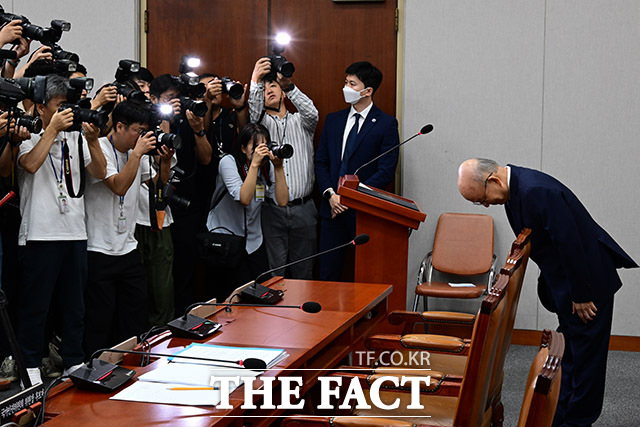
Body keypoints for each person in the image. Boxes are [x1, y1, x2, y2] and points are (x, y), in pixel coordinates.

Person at [457, 158, 638, 427]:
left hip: (587, 285)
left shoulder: (535, 191)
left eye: (480, 199)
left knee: (586, 361)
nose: (484, 205)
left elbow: (571, 244)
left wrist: (581, 295)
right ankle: (561, 415)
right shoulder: (514, 191)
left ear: (493, 180)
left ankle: (578, 420)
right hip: (570, 283)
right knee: (572, 355)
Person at [16, 75, 106, 385]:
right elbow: (29, 165)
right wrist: (51, 130)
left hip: (75, 233)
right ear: (41, 108)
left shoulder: (75, 138)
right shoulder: (26, 134)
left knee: (74, 306)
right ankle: (28, 362)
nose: (66, 112)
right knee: (35, 306)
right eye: (59, 107)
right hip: (41, 234)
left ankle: (74, 360)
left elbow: (100, 172)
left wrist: (93, 140)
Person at [83, 100, 173, 355]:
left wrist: (164, 162)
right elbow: (118, 186)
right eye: (138, 130)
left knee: (134, 318)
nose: (142, 136)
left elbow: (156, 186)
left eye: (145, 130)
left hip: (128, 248)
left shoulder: (138, 152)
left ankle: (132, 366)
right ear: (119, 126)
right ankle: (97, 369)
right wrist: (137, 154)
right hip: (99, 249)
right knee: (100, 320)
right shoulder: (98, 148)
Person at [315, 61, 399, 281]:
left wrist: (350, 198)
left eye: (352, 83)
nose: (346, 87)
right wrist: (332, 195)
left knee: (363, 276)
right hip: (331, 209)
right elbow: (321, 162)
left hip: (363, 213)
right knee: (327, 275)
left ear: (368, 91)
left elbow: (386, 170)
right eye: (346, 82)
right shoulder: (333, 121)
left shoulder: (386, 124)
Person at [249, 58, 319, 279]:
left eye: (273, 85)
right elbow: (253, 113)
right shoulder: (261, 125)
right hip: (272, 210)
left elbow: (312, 113)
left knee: (304, 275)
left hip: (304, 208)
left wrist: (289, 84)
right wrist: (255, 80)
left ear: (283, 92)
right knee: (274, 275)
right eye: (265, 87)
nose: (268, 90)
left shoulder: (301, 122)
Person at [206, 123, 288, 301]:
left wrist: (279, 167)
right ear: (243, 148)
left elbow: (282, 201)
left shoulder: (266, 166)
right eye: (256, 146)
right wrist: (254, 165)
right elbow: (243, 197)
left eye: (264, 145)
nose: (261, 150)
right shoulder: (228, 162)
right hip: (226, 241)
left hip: (253, 243)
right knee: (230, 300)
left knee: (263, 294)